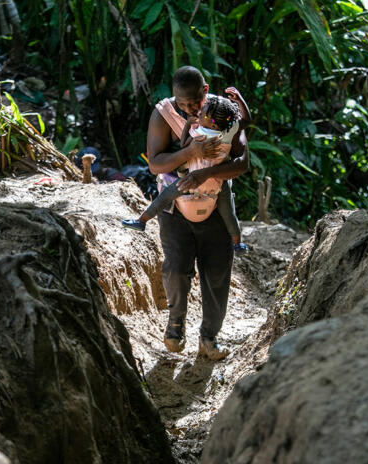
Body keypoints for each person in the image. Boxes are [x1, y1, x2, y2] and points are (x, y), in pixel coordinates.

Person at [145, 66, 249, 360]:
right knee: (176, 268)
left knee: (216, 274)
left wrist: (208, 173)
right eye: (183, 103)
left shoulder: (222, 112)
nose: (189, 108)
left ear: (206, 91)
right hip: (175, 207)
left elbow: (242, 163)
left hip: (214, 204)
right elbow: (155, 163)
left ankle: (209, 337)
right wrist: (190, 154)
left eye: (194, 103)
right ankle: (175, 323)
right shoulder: (163, 114)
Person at [122, 92, 251, 255]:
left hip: (191, 182)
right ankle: (238, 244)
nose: (198, 113)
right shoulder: (229, 131)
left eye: (202, 113)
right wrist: (240, 100)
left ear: (210, 121)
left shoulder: (199, 133)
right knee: (229, 214)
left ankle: (141, 221)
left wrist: (188, 125)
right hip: (217, 184)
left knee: (165, 196)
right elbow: (246, 120)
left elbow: (184, 145)